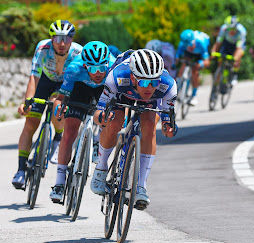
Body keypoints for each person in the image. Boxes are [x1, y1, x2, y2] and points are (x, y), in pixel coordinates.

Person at [90, 49, 178, 210]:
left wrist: (168, 127)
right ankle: (101, 167)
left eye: (154, 82)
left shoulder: (168, 85)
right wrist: (102, 118)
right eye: (144, 82)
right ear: (133, 77)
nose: (149, 87)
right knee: (114, 123)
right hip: (122, 93)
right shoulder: (116, 77)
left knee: (150, 125)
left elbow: (167, 119)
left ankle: (141, 186)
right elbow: (98, 114)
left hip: (151, 102)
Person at [11, 20, 82, 189]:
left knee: (57, 108)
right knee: (31, 122)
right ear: (51, 39)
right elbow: (34, 77)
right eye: (57, 38)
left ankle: (58, 138)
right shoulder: (43, 48)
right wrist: (28, 102)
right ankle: (21, 170)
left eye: (67, 38)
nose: (62, 43)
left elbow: (78, 82)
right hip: (44, 80)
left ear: (72, 39)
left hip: (64, 84)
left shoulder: (78, 52)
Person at [49, 41, 116, 202]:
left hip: (104, 89)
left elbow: (119, 99)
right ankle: (59, 182)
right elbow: (61, 98)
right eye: (93, 68)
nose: (98, 72)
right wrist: (59, 109)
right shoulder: (74, 69)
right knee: (70, 131)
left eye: (102, 67)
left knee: (108, 119)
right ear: (85, 66)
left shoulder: (113, 68)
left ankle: (97, 144)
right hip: (80, 87)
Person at [175, 29, 210, 106]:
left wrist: (201, 64)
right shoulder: (182, 44)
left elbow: (207, 62)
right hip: (189, 54)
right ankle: (177, 86)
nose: (190, 47)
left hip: (200, 53)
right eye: (187, 46)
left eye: (191, 45)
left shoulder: (201, 43)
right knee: (183, 64)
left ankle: (194, 95)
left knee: (195, 70)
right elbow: (177, 57)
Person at [211, 15, 246, 87]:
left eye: (233, 29)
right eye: (229, 28)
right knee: (220, 61)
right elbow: (218, 42)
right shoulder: (223, 28)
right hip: (227, 43)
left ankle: (234, 74)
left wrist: (235, 58)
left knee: (236, 59)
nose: (231, 31)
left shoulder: (241, 31)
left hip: (237, 45)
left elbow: (239, 48)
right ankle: (217, 84)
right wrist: (213, 52)